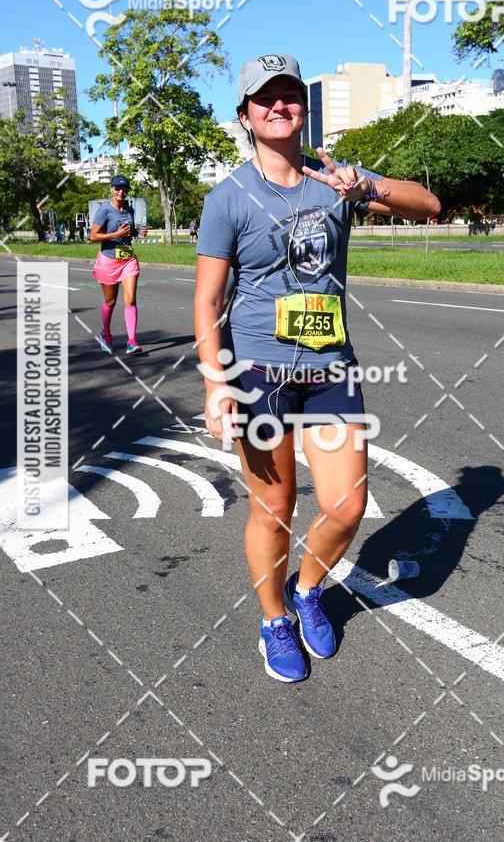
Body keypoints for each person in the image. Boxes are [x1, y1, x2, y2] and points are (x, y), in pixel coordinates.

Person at [194, 54, 440, 683]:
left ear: (303, 106)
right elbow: (208, 298)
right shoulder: (228, 198)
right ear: (246, 116)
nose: (280, 106)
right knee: (273, 509)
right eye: (265, 99)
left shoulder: (335, 178)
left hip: (330, 366)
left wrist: (368, 187)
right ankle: (274, 619)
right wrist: (216, 381)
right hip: (257, 372)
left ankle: (308, 590)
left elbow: (428, 204)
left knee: (347, 507)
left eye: (290, 95)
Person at [90, 176, 147, 354]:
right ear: (111, 189)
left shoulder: (129, 210)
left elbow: (128, 233)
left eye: (124, 188)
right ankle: (105, 333)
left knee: (130, 299)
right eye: (117, 188)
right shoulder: (104, 211)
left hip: (128, 259)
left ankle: (132, 341)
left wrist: (138, 232)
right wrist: (115, 233)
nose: (121, 191)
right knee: (111, 300)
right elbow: (93, 236)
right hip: (108, 260)